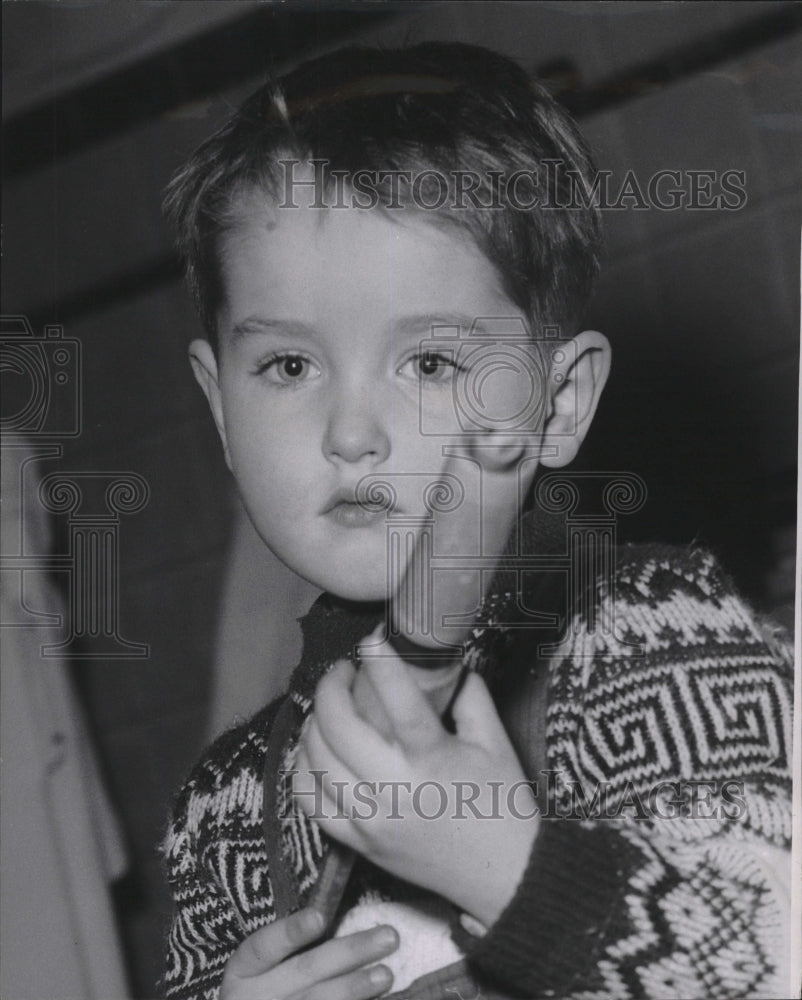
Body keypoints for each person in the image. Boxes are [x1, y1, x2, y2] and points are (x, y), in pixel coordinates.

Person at [160, 43, 792, 1000]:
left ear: (560, 402)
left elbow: (771, 963)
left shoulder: (649, 642)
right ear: (219, 410)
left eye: (432, 364)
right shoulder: (223, 808)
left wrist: (506, 868)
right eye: (289, 367)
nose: (351, 433)